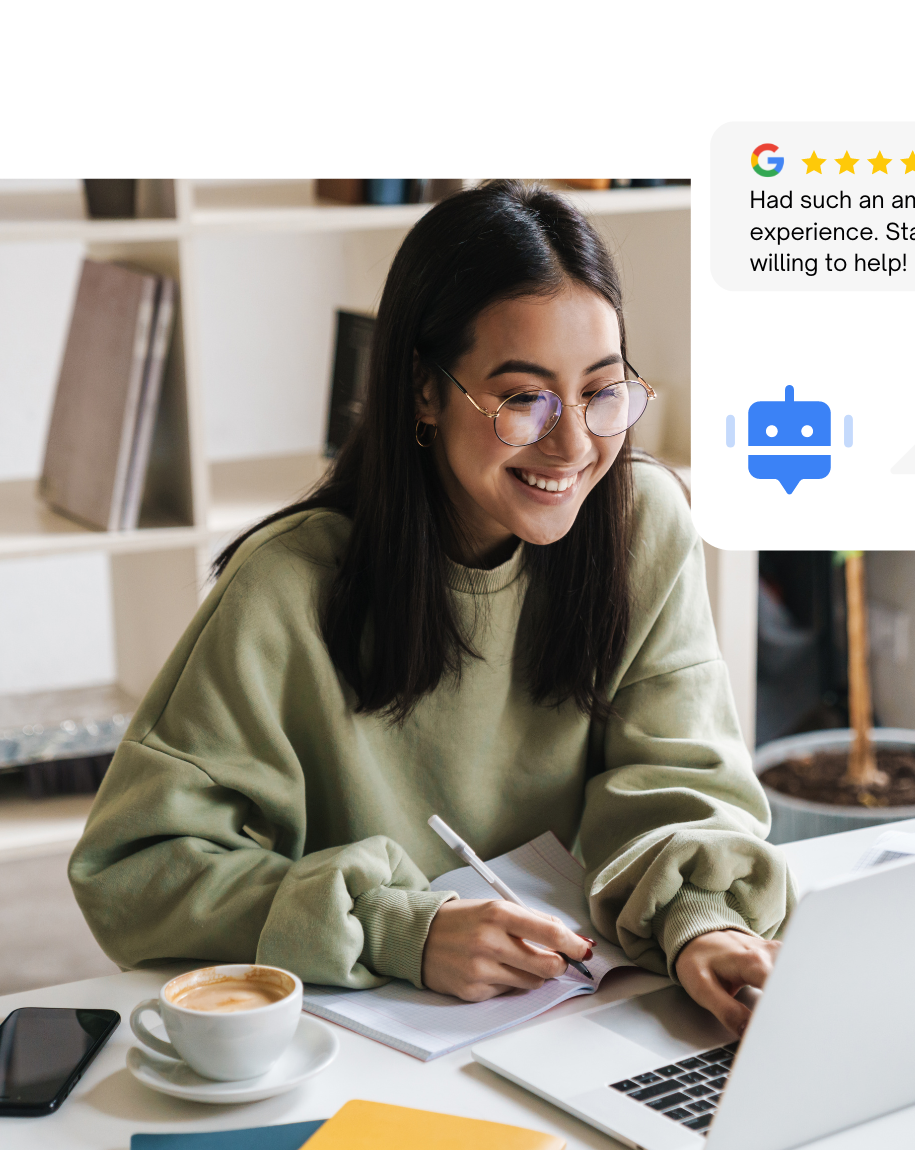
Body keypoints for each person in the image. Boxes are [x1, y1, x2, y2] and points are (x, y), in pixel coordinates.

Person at [68, 179, 793, 1037]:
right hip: (365, 1042)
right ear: (423, 390)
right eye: (525, 398)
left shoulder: (643, 523)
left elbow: (679, 781)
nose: (573, 445)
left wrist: (702, 919)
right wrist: (399, 928)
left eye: (602, 391)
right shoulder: (286, 586)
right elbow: (135, 871)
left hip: (594, 1015)